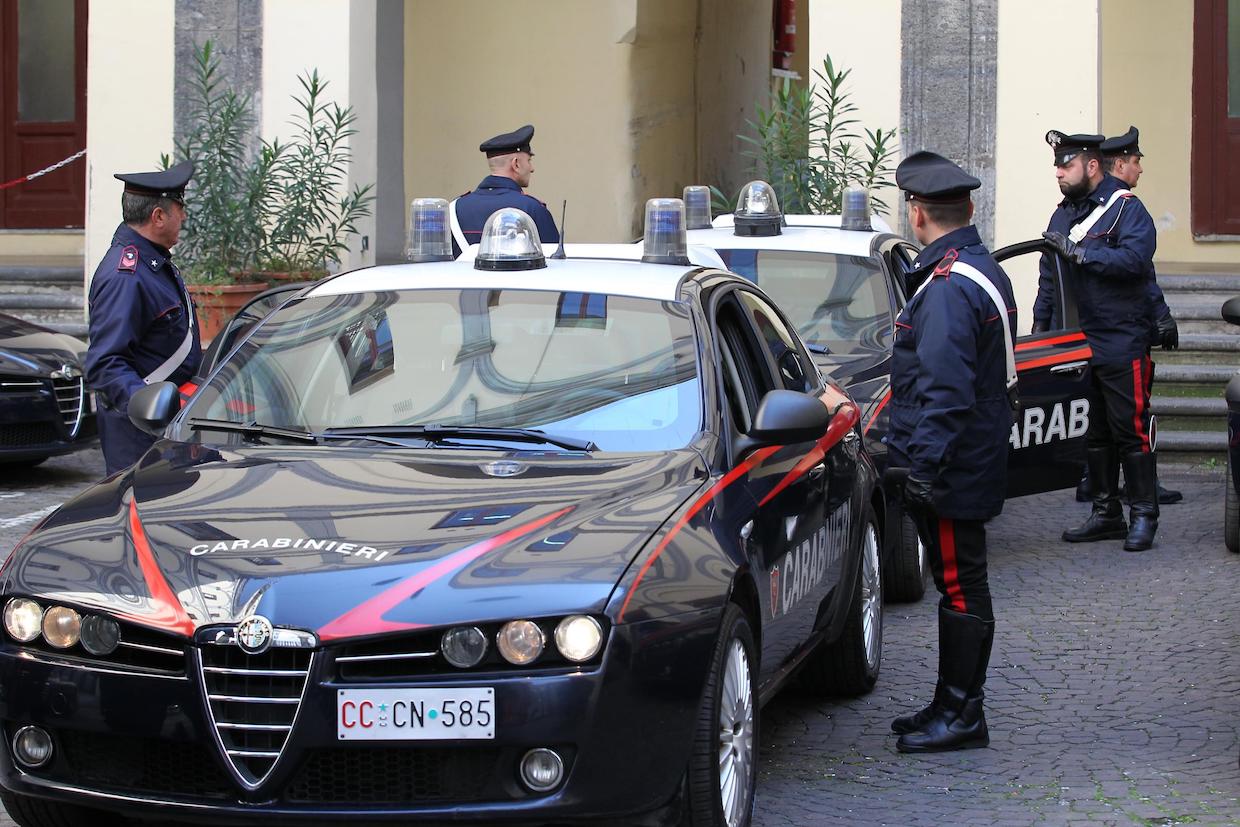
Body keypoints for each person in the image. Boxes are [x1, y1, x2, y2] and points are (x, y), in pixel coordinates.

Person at [887, 151, 1017, 753]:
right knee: (960, 584)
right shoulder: (976, 267)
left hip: (953, 466)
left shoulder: (946, 287)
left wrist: (921, 471)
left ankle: (964, 714)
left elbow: (945, 391)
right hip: (972, 456)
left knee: (962, 587)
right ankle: (950, 702)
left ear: (917, 213)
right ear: (966, 209)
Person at [1033, 131, 1160, 552]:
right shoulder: (1062, 216)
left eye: (1065, 166)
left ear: (1091, 166)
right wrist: (1040, 337)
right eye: (1056, 166)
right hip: (1076, 343)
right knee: (1094, 432)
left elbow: (1135, 261)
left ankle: (1144, 514)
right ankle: (1107, 514)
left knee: (1131, 431)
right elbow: (1049, 280)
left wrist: (1086, 255)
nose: (1058, 173)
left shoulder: (1126, 210)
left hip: (1121, 338)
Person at [85, 161, 202, 475]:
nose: (185, 216)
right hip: (140, 435)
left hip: (164, 428)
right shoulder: (127, 276)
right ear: (159, 216)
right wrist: (148, 405)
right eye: (180, 207)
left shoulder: (151, 262)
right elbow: (105, 363)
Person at [1100, 125, 1182, 504]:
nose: (1140, 169)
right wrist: (1160, 316)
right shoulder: (1124, 209)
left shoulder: (1096, 208)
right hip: (1122, 332)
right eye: (1136, 161)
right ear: (1120, 164)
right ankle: (1142, 496)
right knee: (1133, 416)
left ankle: (1107, 491)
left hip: (1112, 332)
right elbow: (1139, 272)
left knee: (1111, 420)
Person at [449, 124, 559, 256]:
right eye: (529, 160)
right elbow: (554, 264)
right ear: (516, 164)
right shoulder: (532, 209)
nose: (532, 168)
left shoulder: (454, 208)